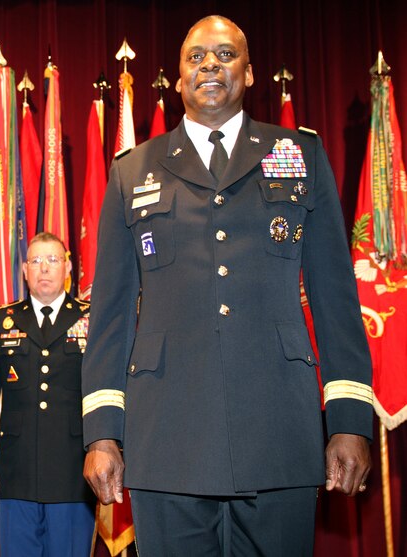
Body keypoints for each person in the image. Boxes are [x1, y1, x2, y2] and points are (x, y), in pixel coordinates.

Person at [81, 15, 373, 556]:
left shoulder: (297, 155)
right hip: (168, 436)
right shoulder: (133, 170)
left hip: (279, 431)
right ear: (176, 78)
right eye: (195, 57)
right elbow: (112, 316)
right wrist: (102, 433)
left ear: (251, 71)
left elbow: (336, 298)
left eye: (225, 54)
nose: (210, 65)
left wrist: (350, 419)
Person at [0, 232, 96, 556]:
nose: (44, 269)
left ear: (67, 268)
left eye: (52, 260)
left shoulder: (91, 318)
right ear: (25, 270)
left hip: (73, 474)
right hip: (15, 472)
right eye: (36, 261)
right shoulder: (1, 321)